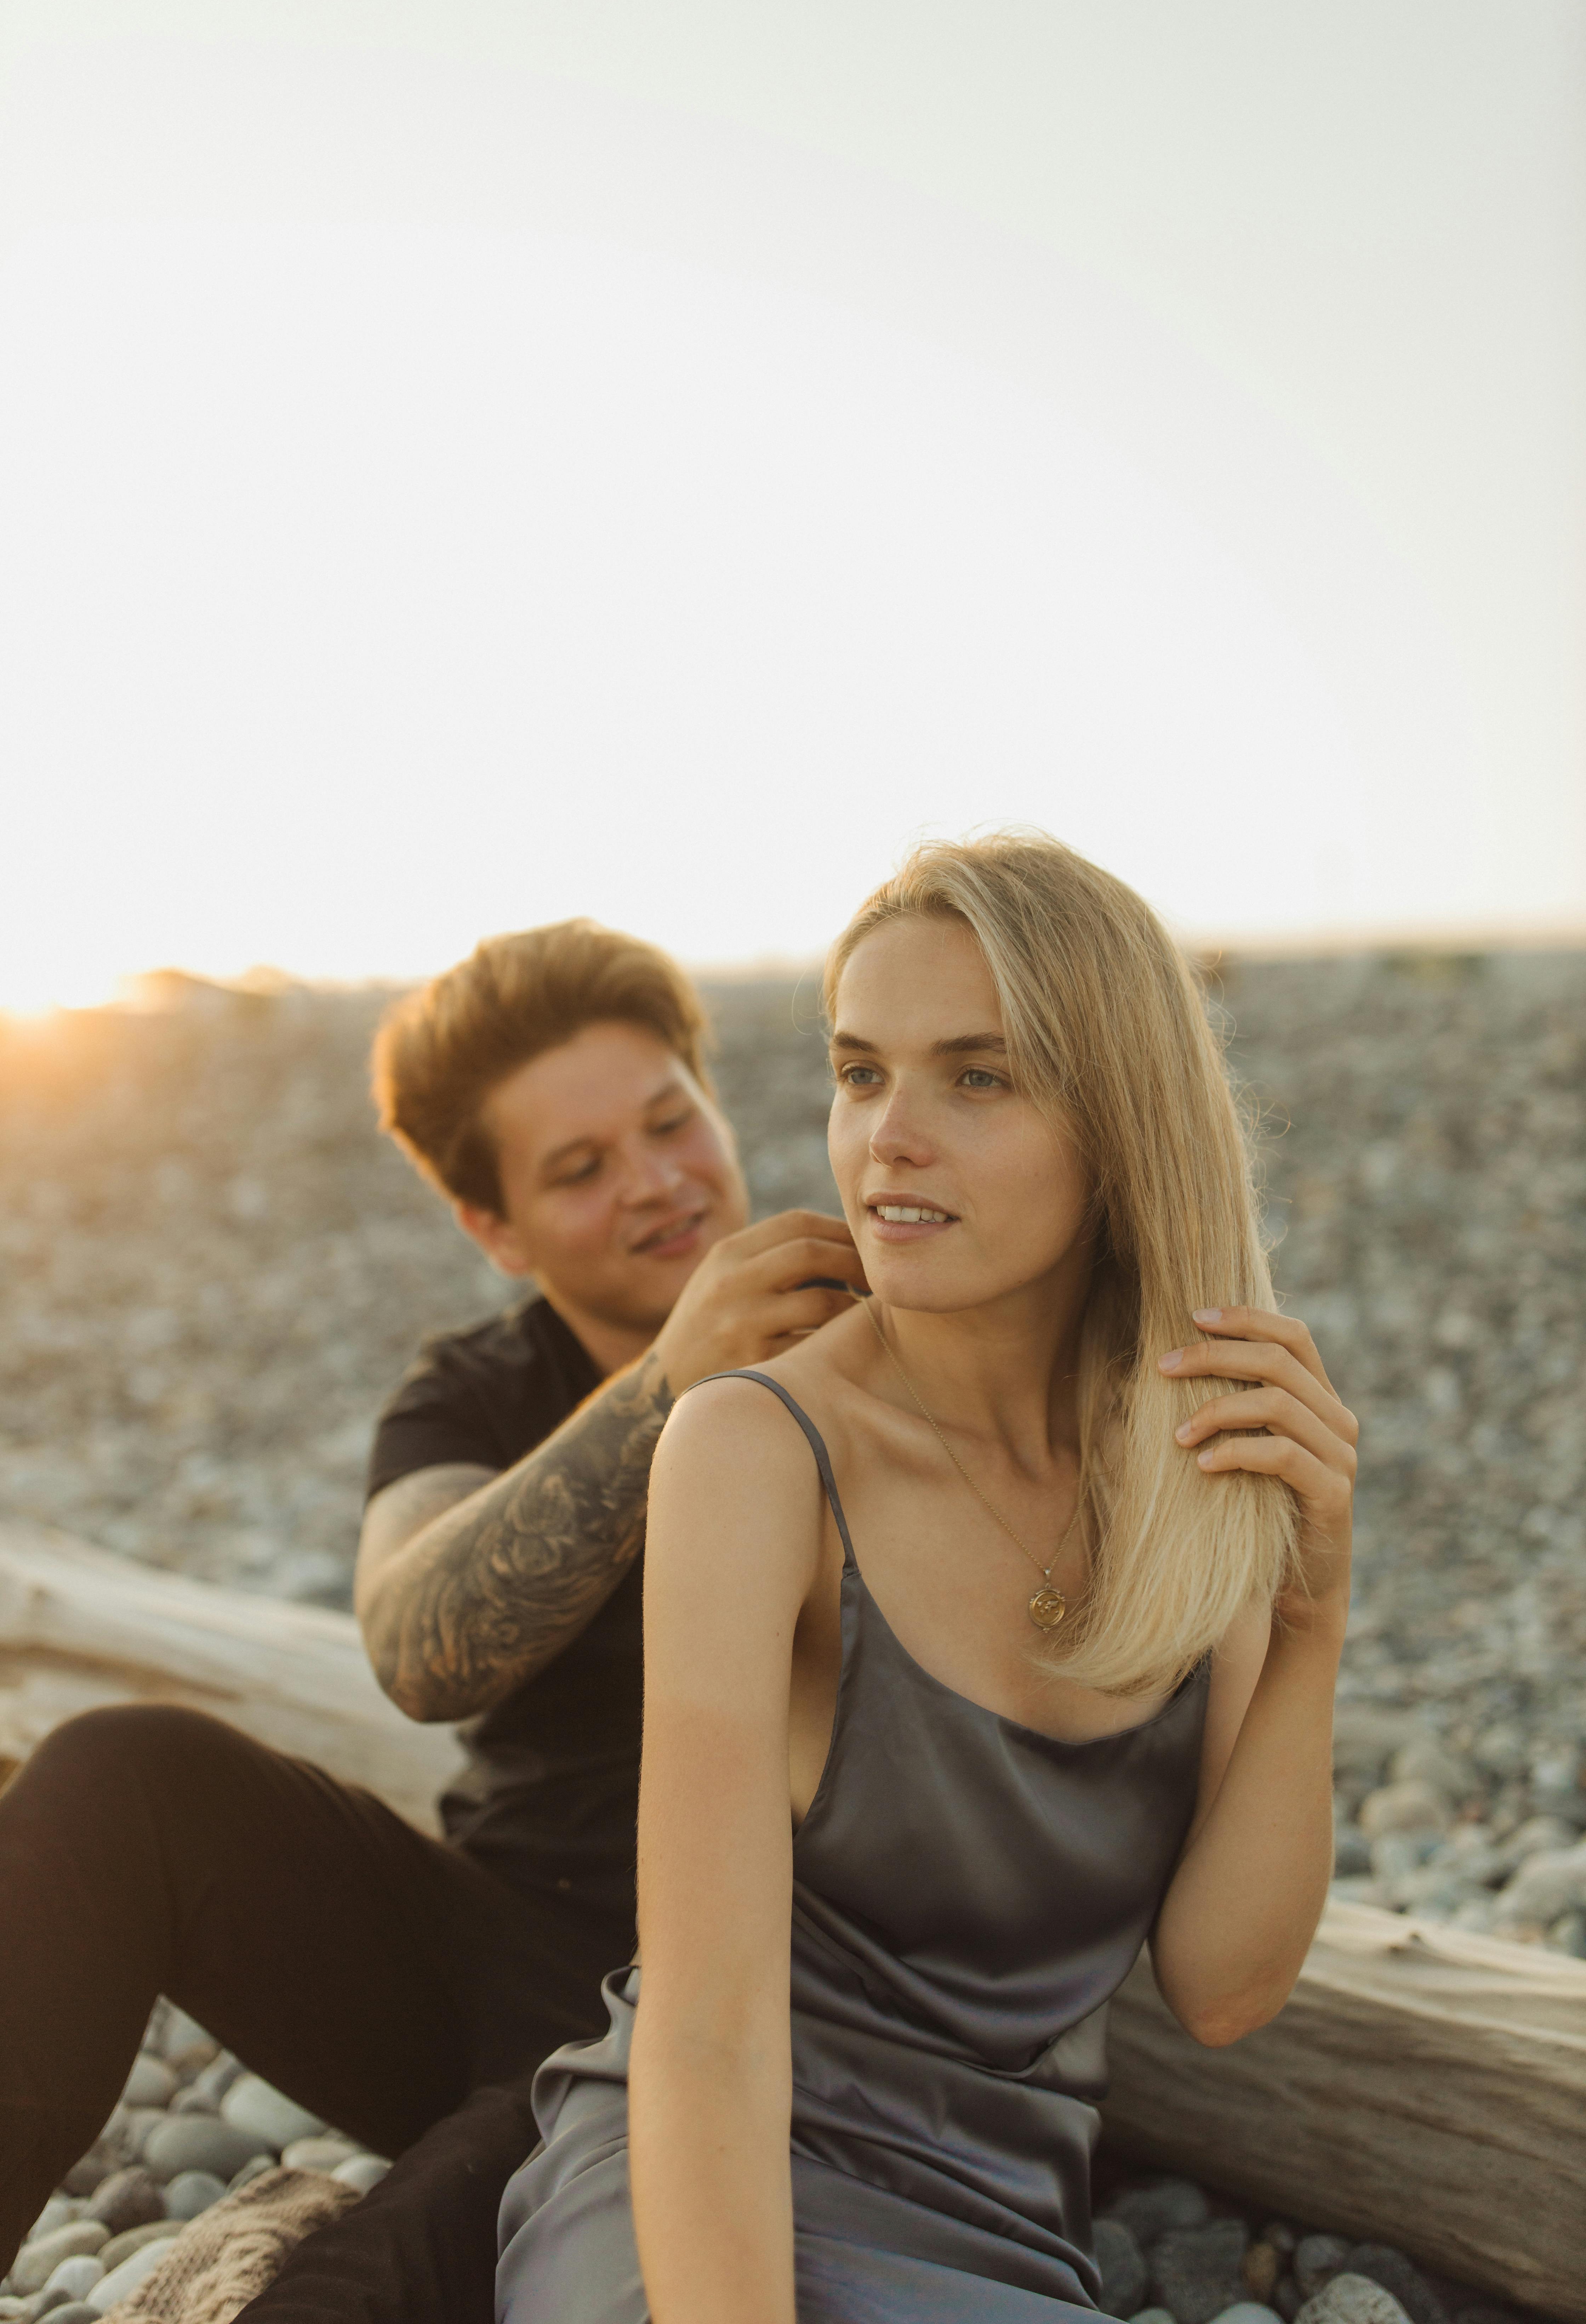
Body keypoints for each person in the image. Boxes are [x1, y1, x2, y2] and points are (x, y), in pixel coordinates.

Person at [496, 835, 1359, 2324]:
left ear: (1121, 1123)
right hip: (704, 2205)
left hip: (1002, 2234)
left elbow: (1225, 1989)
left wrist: (1311, 1620)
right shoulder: (755, 1453)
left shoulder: (1195, 1460)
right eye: (860, 1073)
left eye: (978, 1077)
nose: (888, 1137)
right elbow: (704, 2034)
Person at [0, 919, 860, 2323]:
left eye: (669, 1122)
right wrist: (666, 1390)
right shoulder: (472, 1393)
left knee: (397, 2257)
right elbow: (419, 1645)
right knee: (119, 1773)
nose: (657, 1183)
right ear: (493, 1229)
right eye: (580, 1169)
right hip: (501, 1952)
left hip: (758, 2006)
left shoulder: (870, 1326)